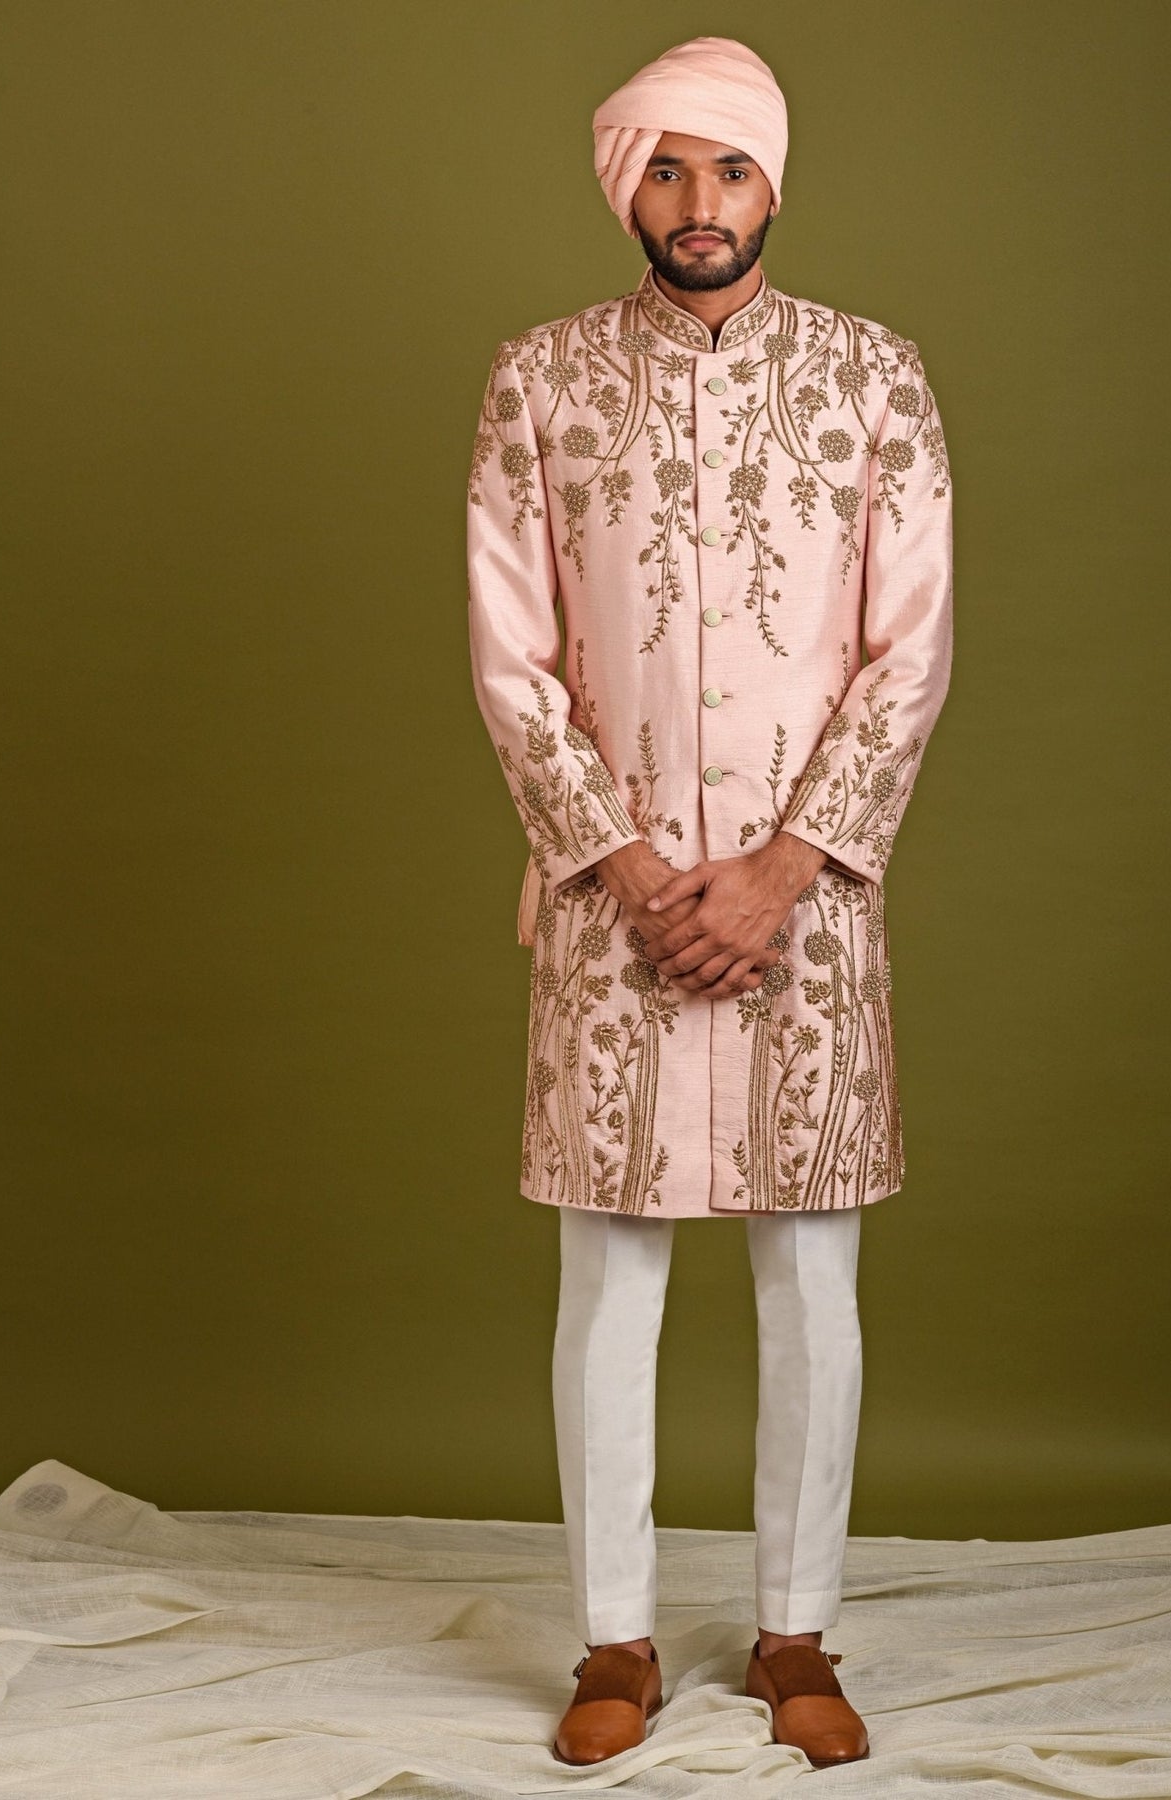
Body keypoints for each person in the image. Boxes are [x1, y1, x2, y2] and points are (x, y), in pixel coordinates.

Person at [465, 33, 954, 1768]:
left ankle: (796, 1634)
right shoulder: (540, 382)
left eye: (729, 169)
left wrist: (784, 869)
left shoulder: (874, 380)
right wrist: (623, 864)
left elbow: (909, 654)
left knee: (814, 1286)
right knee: (608, 1289)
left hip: (808, 911)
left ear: (774, 184)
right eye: (666, 169)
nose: (699, 203)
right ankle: (612, 1643)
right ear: (629, 188)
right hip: (611, 908)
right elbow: (514, 659)